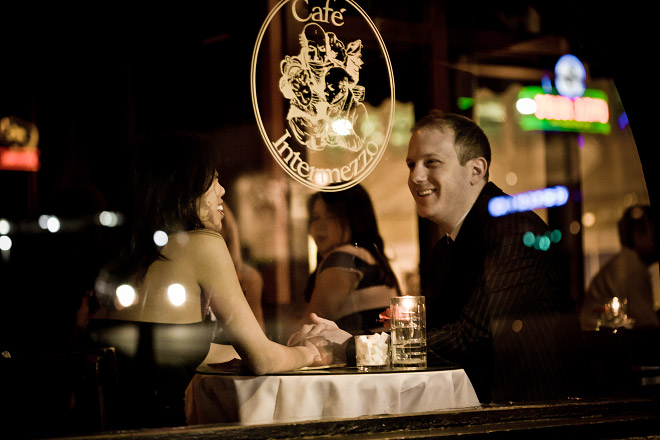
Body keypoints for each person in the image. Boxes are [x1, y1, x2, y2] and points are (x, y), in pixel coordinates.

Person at [297, 111, 583, 404]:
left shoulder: (512, 230)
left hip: (532, 417)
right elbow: (431, 331)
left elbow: (471, 337)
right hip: (478, 408)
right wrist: (349, 336)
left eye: (431, 162)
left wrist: (352, 347)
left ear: (476, 170)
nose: (415, 176)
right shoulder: (447, 245)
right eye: (411, 164)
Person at [87, 131, 330, 428]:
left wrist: (284, 346)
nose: (222, 190)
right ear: (184, 188)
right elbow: (263, 360)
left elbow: (172, 351)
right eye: (213, 180)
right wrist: (312, 352)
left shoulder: (129, 253)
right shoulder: (203, 245)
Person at [287, 184, 400, 337]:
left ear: (355, 219)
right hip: (374, 355)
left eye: (332, 216)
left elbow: (310, 324)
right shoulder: (367, 257)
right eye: (315, 218)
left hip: (361, 358)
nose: (321, 226)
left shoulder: (344, 258)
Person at [580, 205, 659, 330]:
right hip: (600, 344)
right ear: (637, 235)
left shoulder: (627, 263)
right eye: (653, 233)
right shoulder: (630, 268)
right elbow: (647, 324)